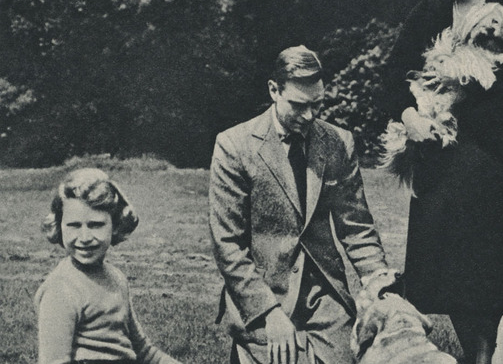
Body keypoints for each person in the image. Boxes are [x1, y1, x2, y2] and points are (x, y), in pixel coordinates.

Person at [380, 0, 503, 362]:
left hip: (485, 157)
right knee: (443, 275)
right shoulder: (429, 13)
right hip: (435, 157)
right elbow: (391, 78)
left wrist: (467, 88)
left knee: (480, 277)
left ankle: (492, 356)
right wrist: (409, 116)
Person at [209, 45, 391, 364]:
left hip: (325, 297)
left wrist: (380, 284)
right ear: (273, 90)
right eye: (298, 105)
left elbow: (358, 230)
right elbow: (229, 247)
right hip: (262, 292)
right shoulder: (234, 146)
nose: (309, 116)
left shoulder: (338, 143)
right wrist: (269, 313)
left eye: (316, 105)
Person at [35, 168, 182, 364]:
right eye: (74, 225)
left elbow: (143, 350)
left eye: (96, 225)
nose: (85, 238)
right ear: (59, 226)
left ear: (115, 225)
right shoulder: (61, 289)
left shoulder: (116, 279)